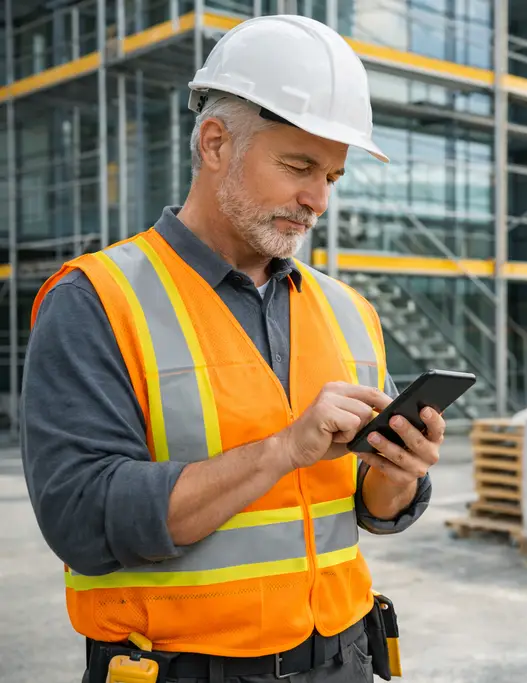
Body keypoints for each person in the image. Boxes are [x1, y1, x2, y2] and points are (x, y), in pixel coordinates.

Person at [20, 15, 438, 683]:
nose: (317, 200)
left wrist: (398, 471)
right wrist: (282, 449)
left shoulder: (350, 312)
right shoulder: (96, 299)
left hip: (345, 658)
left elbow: (368, 507)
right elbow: (82, 519)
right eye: (299, 166)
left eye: (332, 175)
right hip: (182, 669)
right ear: (214, 143)